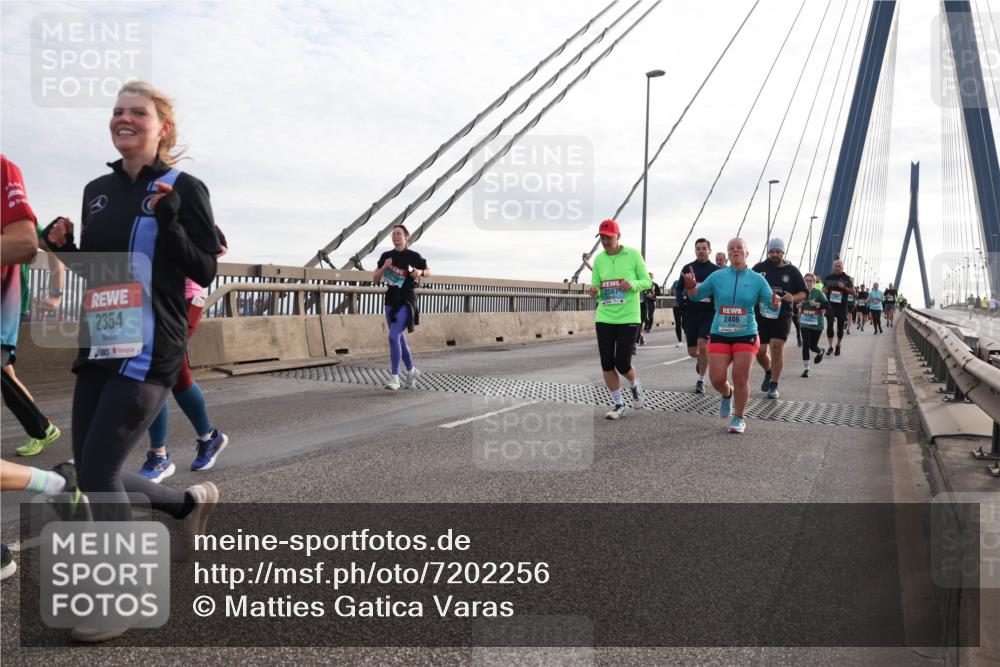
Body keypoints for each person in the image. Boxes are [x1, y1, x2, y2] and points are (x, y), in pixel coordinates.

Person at [43, 81, 221, 641]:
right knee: (86, 468)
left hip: (151, 343)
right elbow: (102, 271)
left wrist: (171, 223)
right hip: (101, 338)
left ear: (161, 127)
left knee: (97, 470)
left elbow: (205, 270)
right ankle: (185, 505)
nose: (123, 119)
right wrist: (65, 251)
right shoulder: (96, 190)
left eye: (136, 112)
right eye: (117, 111)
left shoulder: (183, 187)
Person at [139, 225, 231, 482]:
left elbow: (220, 246)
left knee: (155, 369)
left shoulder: (183, 208)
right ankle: (209, 438)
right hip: (155, 301)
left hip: (186, 299)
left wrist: (185, 260)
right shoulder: (137, 212)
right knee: (177, 376)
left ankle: (159, 455)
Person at [684, 237, 779, 434]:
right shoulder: (718, 277)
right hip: (720, 332)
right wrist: (691, 286)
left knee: (739, 377)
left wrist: (775, 304)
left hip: (746, 333)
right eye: (731, 249)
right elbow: (696, 296)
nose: (735, 251)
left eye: (739, 248)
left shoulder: (757, 279)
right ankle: (727, 394)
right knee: (717, 378)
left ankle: (739, 418)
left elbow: (771, 307)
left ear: (747, 253)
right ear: (728, 254)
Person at [1, 158, 63, 455]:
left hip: (7, 304)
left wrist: (56, 294)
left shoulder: (17, 216)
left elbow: (53, 252)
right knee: (6, 374)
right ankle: (41, 428)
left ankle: (41, 428)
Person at [587, 219, 651, 419]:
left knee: (622, 364)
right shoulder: (599, 260)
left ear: (618, 236)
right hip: (604, 316)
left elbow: (647, 282)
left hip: (628, 316)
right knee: (607, 364)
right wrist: (594, 291)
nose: (605, 241)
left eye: (609, 237)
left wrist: (632, 284)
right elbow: (596, 286)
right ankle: (618, 404)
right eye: (602, 238)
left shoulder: (633, 254)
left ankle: (634, 384)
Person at [373, 224, 430, 390]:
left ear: (406, 236)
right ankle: (411, 371)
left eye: (398, 234)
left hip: (406, 300)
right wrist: (384, 267)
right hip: (390, 300)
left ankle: (394, 377)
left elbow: (429, 271)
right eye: (393, 234)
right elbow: (375, 279)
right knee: (399, 338)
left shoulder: (413, 256)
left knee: (393, 337)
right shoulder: (386, 256)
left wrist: (420, 272)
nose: (395, 236)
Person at [750, 238, 807, 400]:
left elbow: (804, 293)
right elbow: (748, 286)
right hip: (761, 315)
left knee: (777, 347)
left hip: (783, 315)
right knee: (760, 351)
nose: (774, 254)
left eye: (777, 252)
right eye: (772, 251)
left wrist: (792, 298)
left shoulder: (792, 271)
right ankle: (769, 371)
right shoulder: (759, 268)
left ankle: (774, 385)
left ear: (783, 252)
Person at [677, 238, 721, 394]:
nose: (701, 251)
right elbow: (679, 288)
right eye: (698, 248)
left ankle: (701, 380)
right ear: (695, 251)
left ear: (709, 250)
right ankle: (700, 358)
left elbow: (720, 291)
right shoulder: (688, 268)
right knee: (693, 352)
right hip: (691, 313)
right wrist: (681, 304)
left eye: (704, 248)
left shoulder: (716, 270)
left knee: (703, 345)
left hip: (709, 313)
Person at [823, 260, 856, 356]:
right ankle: (830, 347)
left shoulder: (846, 278)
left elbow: (853, 292)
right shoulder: (828, 278)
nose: (837, 268)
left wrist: (844, 287)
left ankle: (838, 345)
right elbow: (824, 289)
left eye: (839, 266)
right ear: (833, 267)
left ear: (842, 268)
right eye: (835, 266)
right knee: (829, 326)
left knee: (840, 328)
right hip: (830, 306)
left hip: (842, 306)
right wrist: (824, 290)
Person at [798, 273, 828, 377]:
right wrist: (797, 305)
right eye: (806, 280)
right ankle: (806, 369)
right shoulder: (800, 293)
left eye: (810, 281)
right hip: (804, 323)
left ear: (814, 283)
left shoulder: (818, 293)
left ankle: (820, 351)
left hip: (816, 324)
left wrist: (818, 304)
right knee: (806, 345)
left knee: (813, 346)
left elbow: (827, 305)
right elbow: (793, 303)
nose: (808, 283)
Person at [670, 279, 685, 346]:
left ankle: (688, 335)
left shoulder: (689, 281)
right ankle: (680, 341)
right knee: (678, 323)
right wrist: (675, 291)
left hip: (686, 306)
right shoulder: (676, 282)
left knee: (685, 324)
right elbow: (671, 293)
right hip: (677, 306)